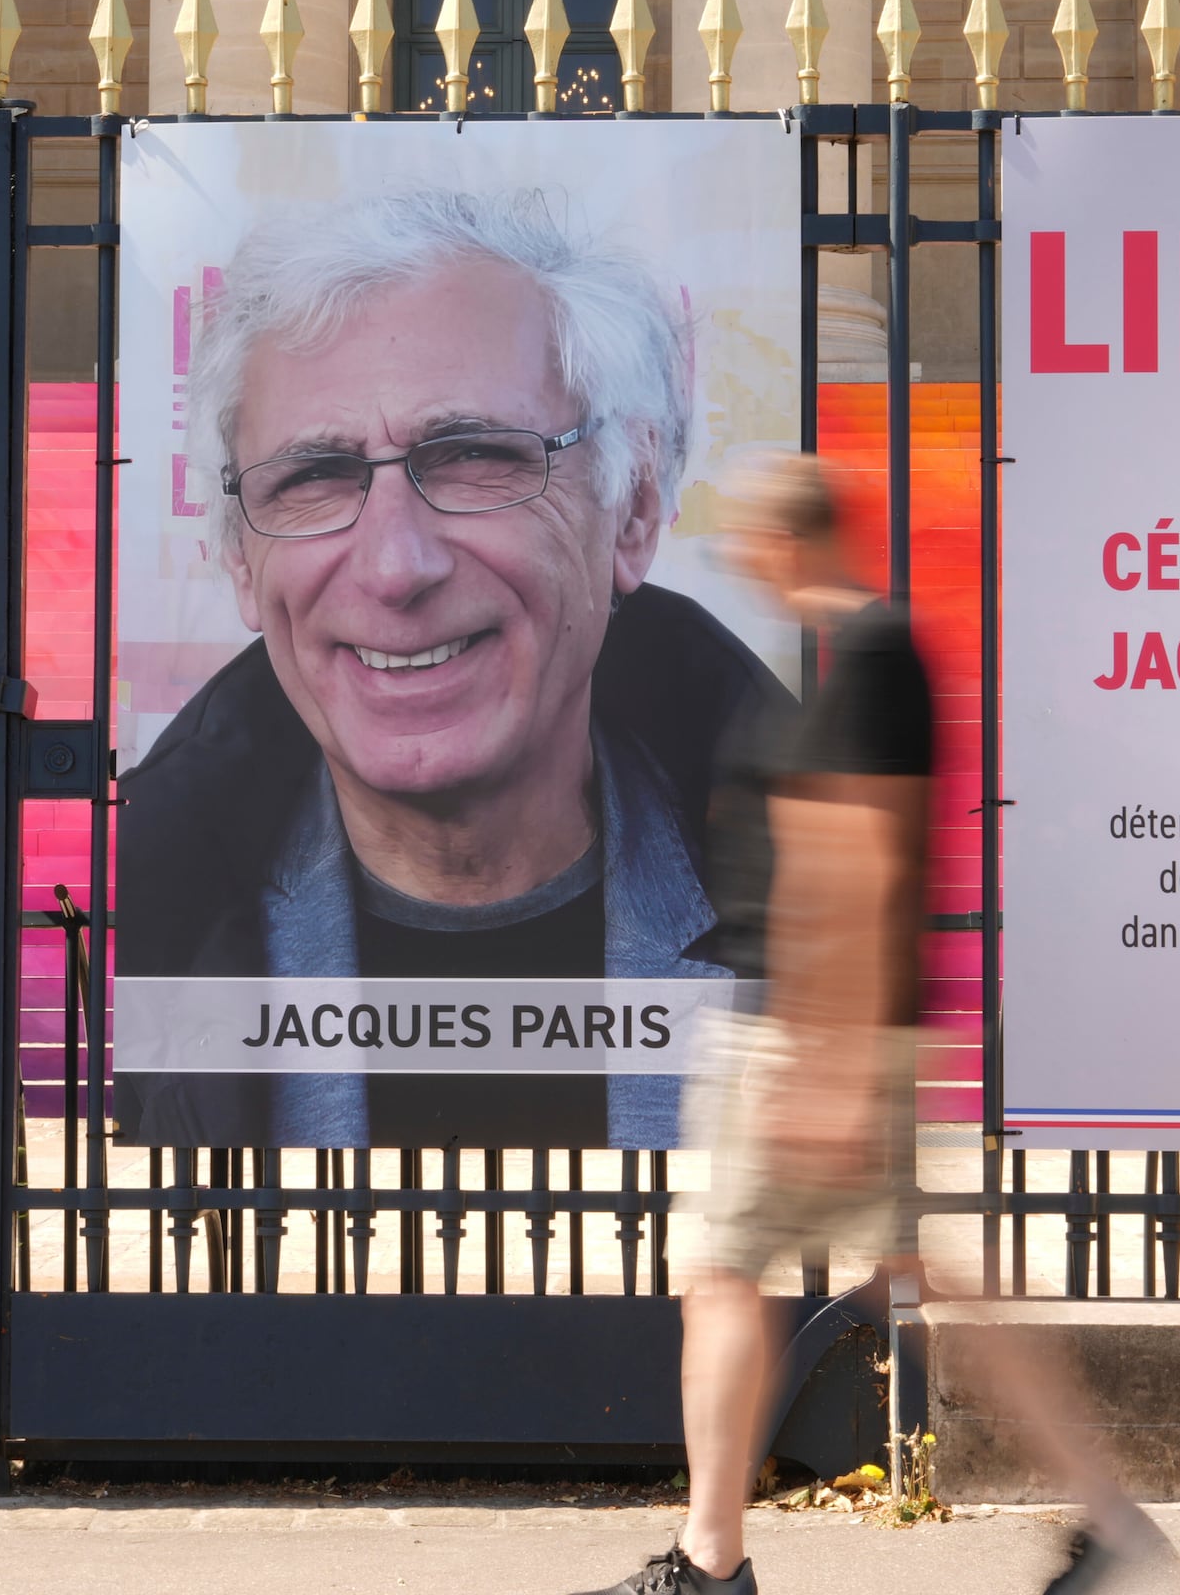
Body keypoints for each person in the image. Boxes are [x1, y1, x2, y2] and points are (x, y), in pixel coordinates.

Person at [584, 453, 1168, 1595]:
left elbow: (856, 870)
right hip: (824, 1030)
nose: (744, 556)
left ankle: (710, 1564)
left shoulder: (868, 661)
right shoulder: (862, 656)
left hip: (807, 1034)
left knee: (723, 1273)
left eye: (754, 535)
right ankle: (1109, 1521)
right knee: (906, 1267)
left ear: (789, 542)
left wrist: (826, 1059)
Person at [115, 189, 786, 1151]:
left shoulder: (837, 925)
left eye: (474, 456)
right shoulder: (99, 962)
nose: (396, 567)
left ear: (633, 509)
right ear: (239, 562)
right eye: (312, 477)